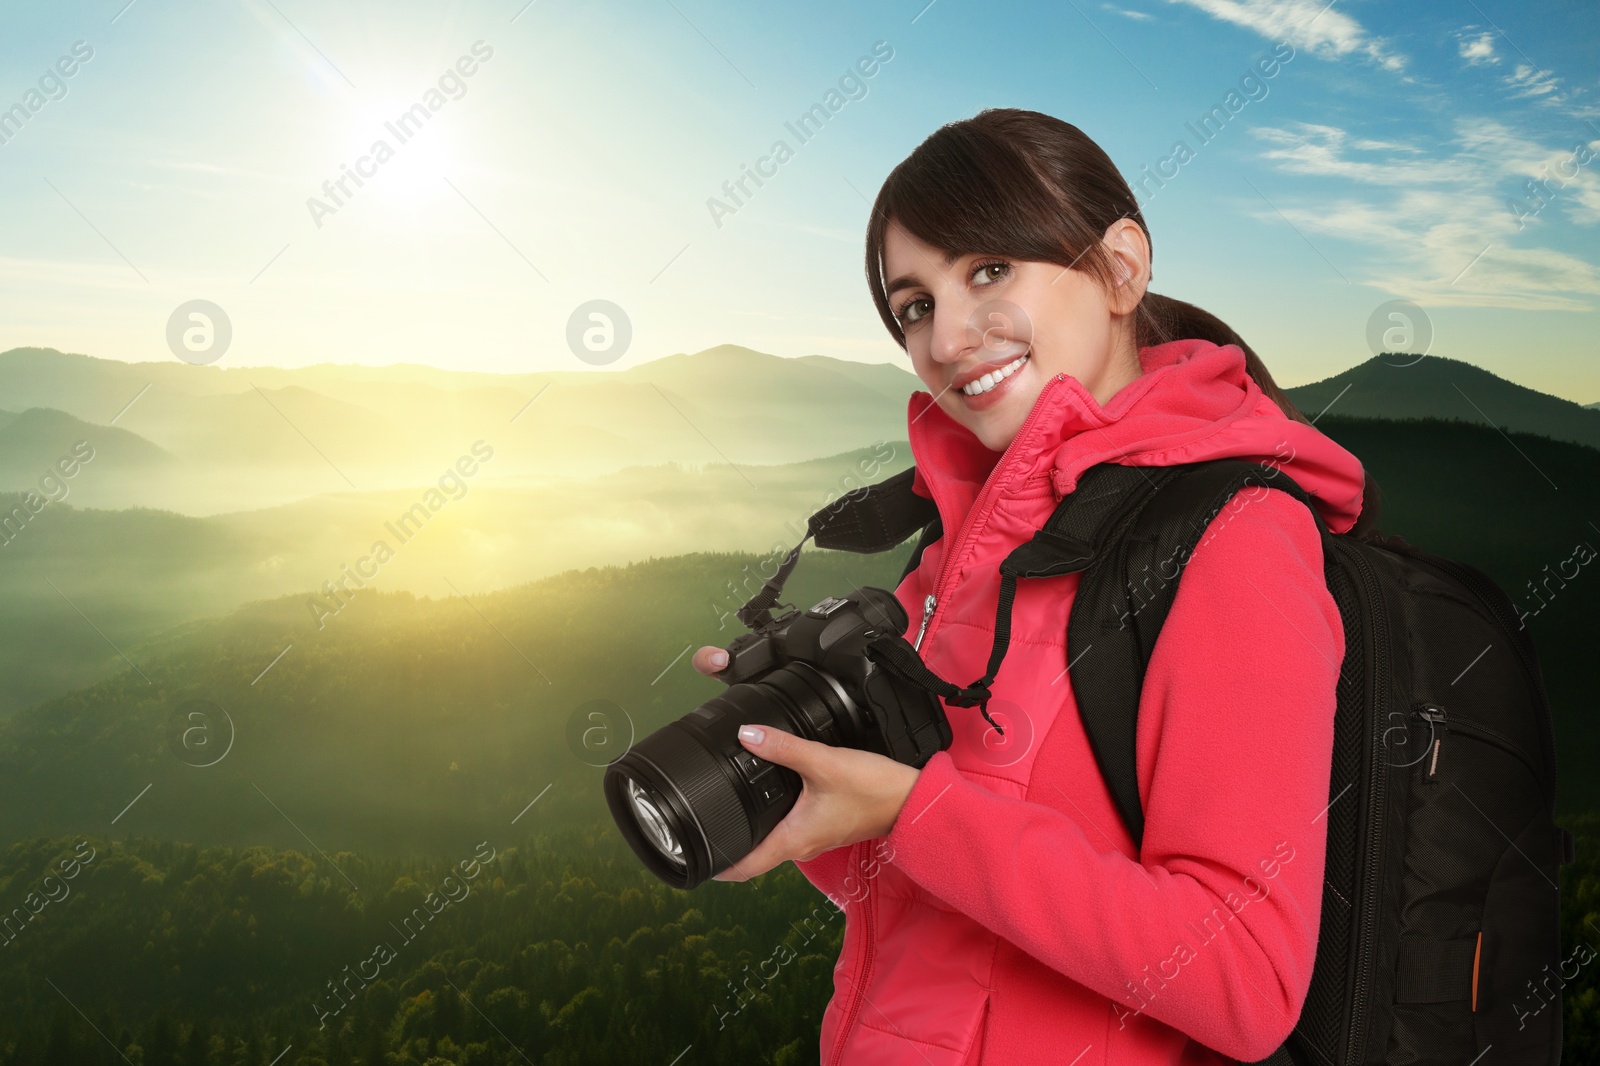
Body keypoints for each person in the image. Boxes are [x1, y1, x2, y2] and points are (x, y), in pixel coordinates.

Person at [690, 107, 1373, 1065]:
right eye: (915, 304)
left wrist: (911, 809)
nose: (951, 335)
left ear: (1121, 267)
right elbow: (945, 914)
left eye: (990, 270)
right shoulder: (958, 551)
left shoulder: (1235, 537)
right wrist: (816, 793)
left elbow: (1243, 978)